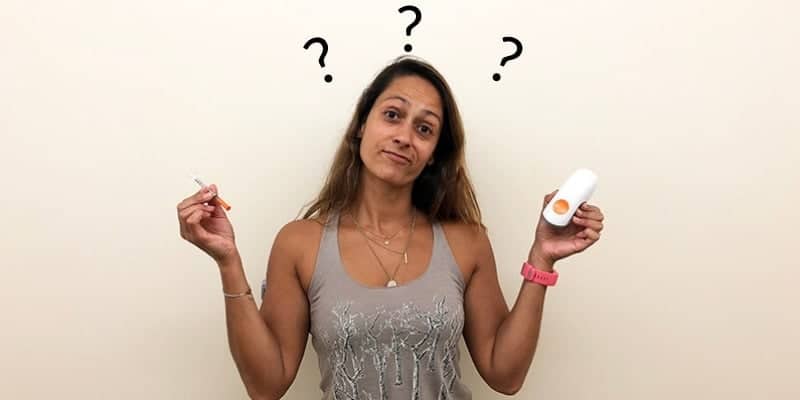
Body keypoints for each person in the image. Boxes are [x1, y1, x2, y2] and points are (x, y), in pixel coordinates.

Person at [177, 56, 605, 400]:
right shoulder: (300, 242)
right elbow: (265, 386)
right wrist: (228, 261)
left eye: (424, 129)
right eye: (393, 115)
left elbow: (505, 374)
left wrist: (541, 258)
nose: (404, 136)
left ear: (434, 153)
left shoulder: (466, 241)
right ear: (363, 124)